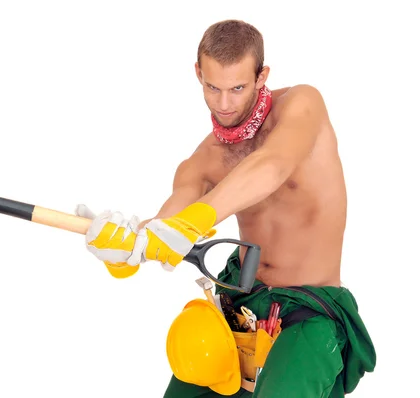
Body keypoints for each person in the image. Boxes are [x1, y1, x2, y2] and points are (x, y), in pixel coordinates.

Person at [76, 19, 376, 397]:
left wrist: (194, 221)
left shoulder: (301, 105)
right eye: (212, 88)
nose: (224, 103)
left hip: (309, 310)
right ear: (198, 74)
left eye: (237, 88)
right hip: (241, 301)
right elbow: (170, 222)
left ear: (261, 75)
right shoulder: (205, 159)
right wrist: (125, 247)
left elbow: (272, 164)